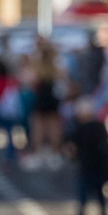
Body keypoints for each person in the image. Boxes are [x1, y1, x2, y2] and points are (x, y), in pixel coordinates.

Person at [65, 97, 108, 215]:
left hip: (85, 171)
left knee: (82, 205)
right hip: (100, 171)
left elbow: (72, 150)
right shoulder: (100, 128)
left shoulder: (80, 129)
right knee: (102, 205)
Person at [23, 39, 65, 170]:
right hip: (53, 98)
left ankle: (38, 151)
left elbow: (29, 80)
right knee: (54, 126)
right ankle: (54, 152)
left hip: (41, 97)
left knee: (38, 126)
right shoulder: (56, 65)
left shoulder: (38, 66)